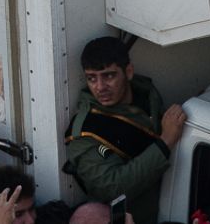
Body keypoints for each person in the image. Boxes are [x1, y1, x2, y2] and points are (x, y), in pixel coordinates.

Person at [64, 37, 184, 224]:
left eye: (109, 76)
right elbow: (111, 188)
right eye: (91, 78)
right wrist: (165, 141)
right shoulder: (86, 132)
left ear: (128, 72)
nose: (100, 87)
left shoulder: (145, 93)